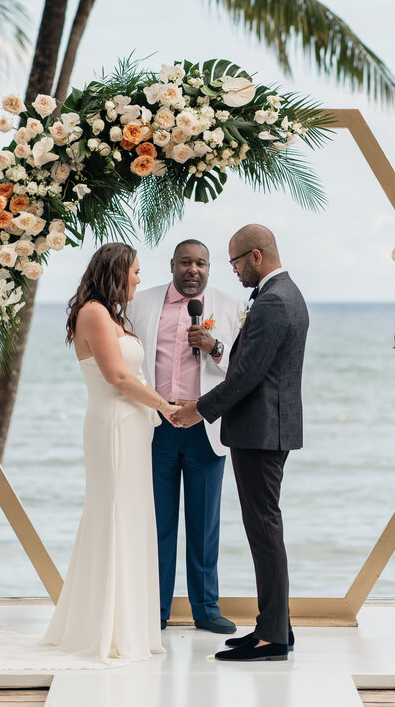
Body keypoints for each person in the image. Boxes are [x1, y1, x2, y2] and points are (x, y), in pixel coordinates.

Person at [173, 224, 309, 663]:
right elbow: (251, 363)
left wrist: (198, 409)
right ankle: (275, 628)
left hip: (261, 431)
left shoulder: (273, 301)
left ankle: (272, 638)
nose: (231, 271)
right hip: (267, 429)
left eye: (233, 262)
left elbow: (248, 375)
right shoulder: (284, 294)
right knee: (264, 529)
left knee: (264, 531)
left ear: (255, 256)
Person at [40, 242, 178, 664]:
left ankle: (130, 622)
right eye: (135, 271)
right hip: (114, 425)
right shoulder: (94, 313)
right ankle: (109, 628)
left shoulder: (112, 315)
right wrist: (165, 406)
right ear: (117, 272)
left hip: (132, 426)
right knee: (115, 513)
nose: (139, 278)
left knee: (132, 515)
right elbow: (118, 376)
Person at [128, 239, 243, 634]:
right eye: (186, 263)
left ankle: (206, 608)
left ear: (210, 268)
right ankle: (153, 610)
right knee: (156, 523)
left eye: (201, 263)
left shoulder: (229, 307)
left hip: (205, 427)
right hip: (156, 424)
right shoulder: (140, 304)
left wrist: (216, 347)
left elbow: (242, 368)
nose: (193, 270)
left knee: (204, 523)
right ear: (172, 265)